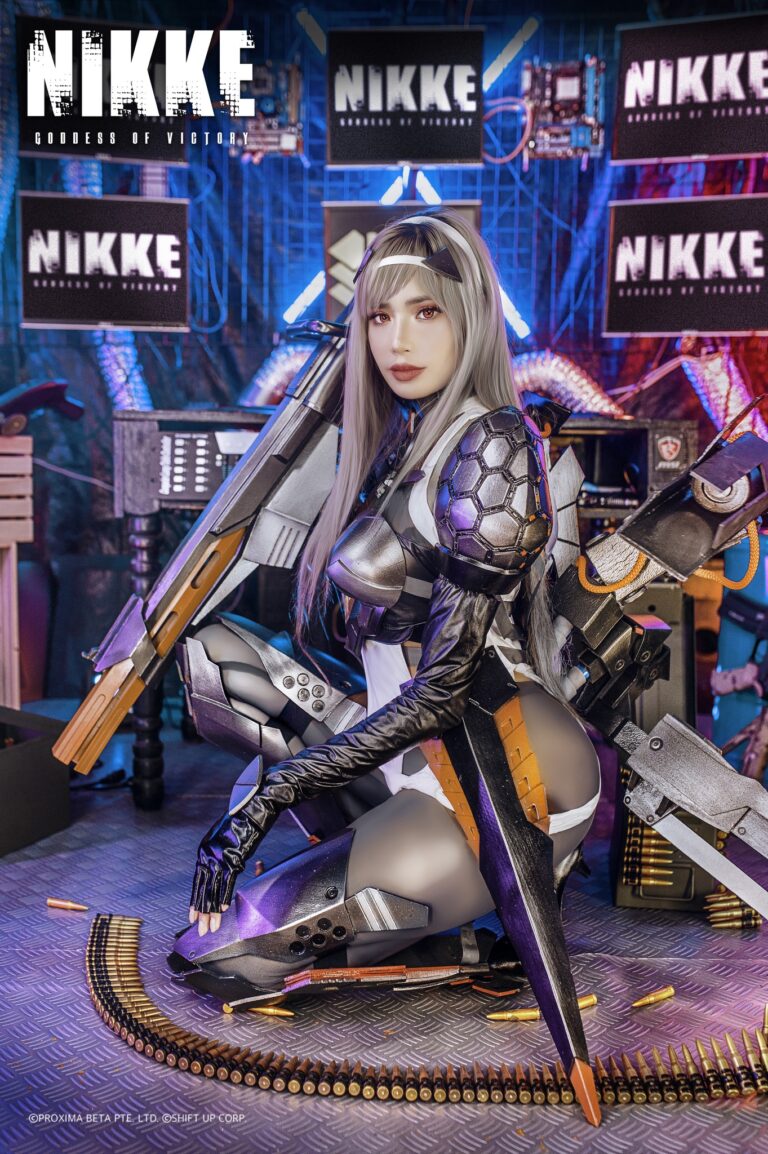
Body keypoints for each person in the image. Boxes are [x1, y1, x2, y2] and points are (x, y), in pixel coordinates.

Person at [177, 210, 601, 1113]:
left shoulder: (494, 448)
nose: (397, 341)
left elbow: (445, 691)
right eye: (378, 316)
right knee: (210, 657)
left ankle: (458, 931)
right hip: (400, 740)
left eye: (425, 312)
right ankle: (395, 880)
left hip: (504, 775)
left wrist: (274, 793)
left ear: (469, 317)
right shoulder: (404, 435)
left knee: (229, 954)